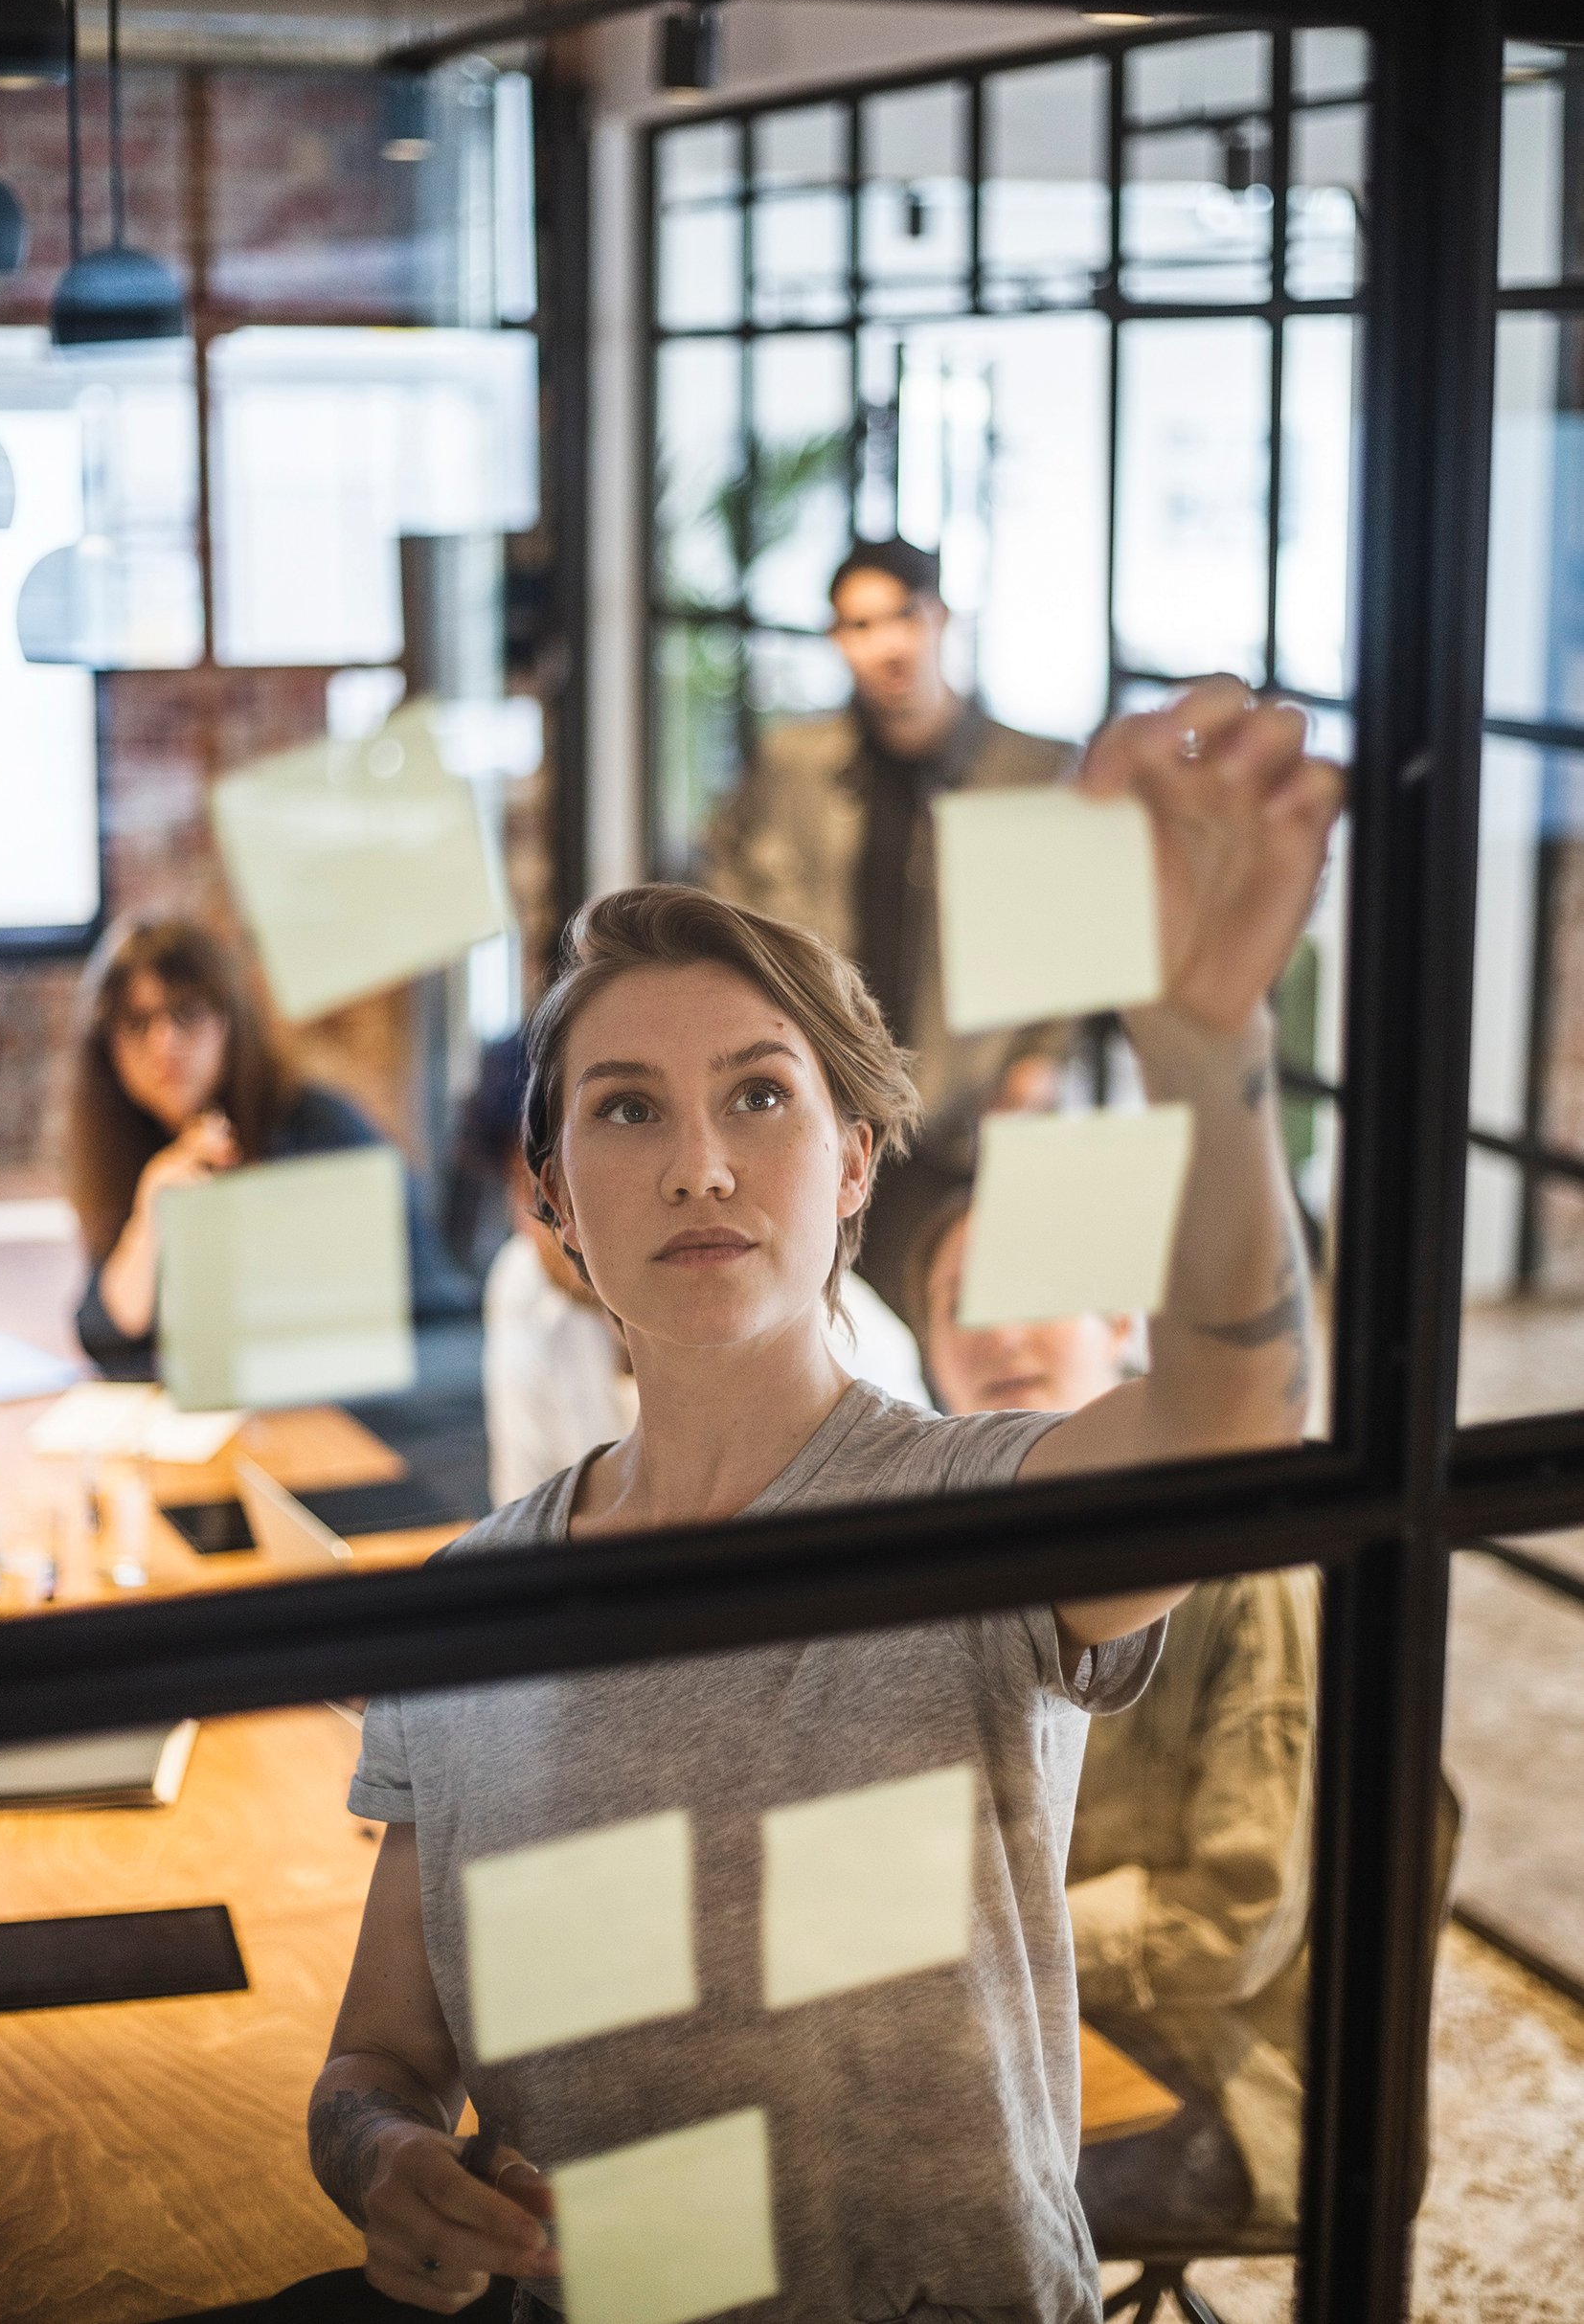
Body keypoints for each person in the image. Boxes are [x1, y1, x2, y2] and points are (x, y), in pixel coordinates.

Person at [309, 681, 1342, 2321]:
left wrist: (1205, 1034)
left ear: (857, 1164)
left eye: (762, 1096)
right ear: (556, 1198)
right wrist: (381, 2158)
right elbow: (382, 2054)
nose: (701, 1165)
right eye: (627, 1107)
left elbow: (1237, 1428)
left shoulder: (963, 1513)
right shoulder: (466, 1601)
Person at [913, 1189, 1320, 2238]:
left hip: (1213, 2073)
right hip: (1000, 2033)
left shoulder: (1237, 1555)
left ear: (1121, 1321)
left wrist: (981, 1939)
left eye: (1031, 1289)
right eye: (961, 1301)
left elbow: (1236, 1917)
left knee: (884, 2208)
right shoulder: (935, 1557)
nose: (997, 1331)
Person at [703, 538, 1079, 1313]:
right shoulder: (794, 766)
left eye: (904, 616)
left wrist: (1037, 1064)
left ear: (939, 618)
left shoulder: (1034, 770)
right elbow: (729, 898)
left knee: (952, 1334)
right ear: (839, 642)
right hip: (829, 1103)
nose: (888, 644)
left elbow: (1069, 946)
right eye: (860, 625)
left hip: (965, 1120)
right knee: (821, 1327)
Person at [480, 1059, 932, 1506]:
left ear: (850, 1162)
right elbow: (525, 1522)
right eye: (530, 1188)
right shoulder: (524, 1286)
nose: (550, 1218)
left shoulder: (854, 1352)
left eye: (758, 1101)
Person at [65, 915, 471, 1380]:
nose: (165, 1042)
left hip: (387, 1407)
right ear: (106, 1046)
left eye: (187, 1013)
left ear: (229, 1021)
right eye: (137, 1023)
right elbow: (106, 1334)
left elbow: (421, 1318)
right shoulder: (141, 1153)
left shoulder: (317, 1130)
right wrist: (150, 1216)